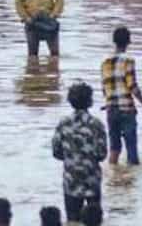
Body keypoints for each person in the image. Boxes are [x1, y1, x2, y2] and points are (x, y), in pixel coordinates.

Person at [52, 82, 108, 223]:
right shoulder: (96, 124)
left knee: (72, 220)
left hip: (71, 181)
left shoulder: (63, 123)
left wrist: (71, 158)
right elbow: (102, 154)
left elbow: (56, 152)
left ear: (70, 101)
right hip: (92, 181)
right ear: (89, 101)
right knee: (94, 220)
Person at [100, 26, 142, 165]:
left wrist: (108, 102)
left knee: (114, 149)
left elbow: (104, 87)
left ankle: (113, 180)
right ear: (128, 42)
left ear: (114, 41)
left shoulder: (105, 62)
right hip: (127, 110)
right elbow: (132, 86)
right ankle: (131, 182)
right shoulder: (128, 61)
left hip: (111, 109)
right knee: (131, 150)